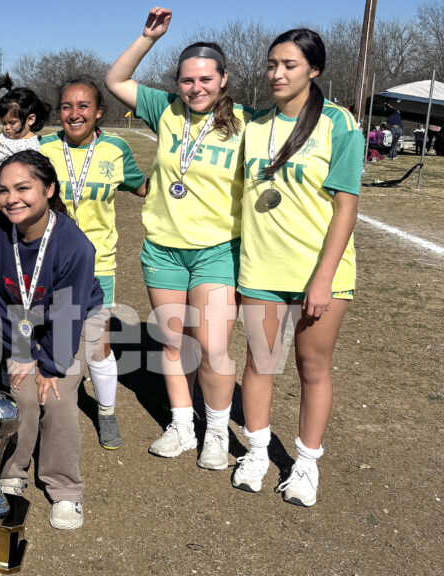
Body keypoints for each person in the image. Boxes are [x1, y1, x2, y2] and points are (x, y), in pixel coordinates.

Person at [105, 7, 251, 468]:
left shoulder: (248, 124)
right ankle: (183, 425)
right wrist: (148, 38)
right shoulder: (165, 110)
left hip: (217, 251)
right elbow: (116, 79)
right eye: (187, 80)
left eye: (206, 79)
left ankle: (216, 431)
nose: (196, 88)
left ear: (224, 79)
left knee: (210, 346)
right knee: (174, 343)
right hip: (164, 250)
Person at [233, 29, 362, 507]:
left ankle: (305, 465)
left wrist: (323, 277)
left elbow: (346, 207)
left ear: (314, 70)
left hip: (320, 272)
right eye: (272, 64)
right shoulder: (255, 124)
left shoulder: (338, 123)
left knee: (312, 366)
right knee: (260, 363)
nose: (277, 74)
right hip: (261, 268)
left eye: (289, 65)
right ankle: (258, 453)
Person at [0, 151, 104, 530]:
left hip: (76, 314)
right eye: (3, 190)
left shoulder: (74, 245)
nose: (11, 199)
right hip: (23, 316)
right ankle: (13, 470)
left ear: (49, 189)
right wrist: (22, 353)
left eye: (23, 188)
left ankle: (66, 488)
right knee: (20, 390)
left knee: (57, 394)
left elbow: (69, 313)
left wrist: (49, 365)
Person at [39, 78, 147, 449]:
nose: (74, 114)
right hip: (47, 259)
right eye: (67, 106)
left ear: (99, 111)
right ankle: (42, 406)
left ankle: (106, 412)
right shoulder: (43, 147)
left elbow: (146, 187)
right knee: (43, 332)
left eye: (84, 106)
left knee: (97, 342)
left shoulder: (116, 148)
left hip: (98, 262)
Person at [0, 73, 50, 184]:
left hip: (8, 185)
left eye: (12, 123)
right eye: (4, 123)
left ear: (30, 119)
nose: (7, 128)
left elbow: (23, 172)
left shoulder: (30, 145)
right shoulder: (5, 135)